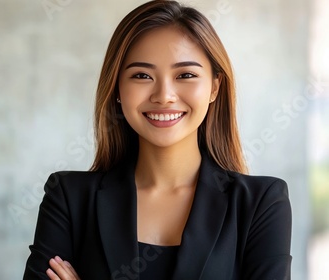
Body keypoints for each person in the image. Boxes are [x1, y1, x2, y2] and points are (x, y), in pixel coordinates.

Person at [23, 1, 292, 279]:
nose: (164, 95)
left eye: (185, 75)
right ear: (117, 88)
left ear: (214, 87)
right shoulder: (68, 198)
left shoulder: (261, 203)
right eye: (142, 75)